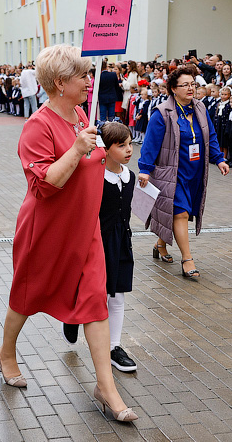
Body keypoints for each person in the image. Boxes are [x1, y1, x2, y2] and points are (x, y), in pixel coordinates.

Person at [0, 45, 137, 422]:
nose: (90, 82)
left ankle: (105, 387)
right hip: (47, 231)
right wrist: (76, 150)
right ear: (60, 83)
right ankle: (6, 352)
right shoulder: (37, 126)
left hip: (85, 228)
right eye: (83, 76)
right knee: (26, 296)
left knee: (95, 303)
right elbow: (45, 184)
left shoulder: (80, 114)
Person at [138, 66, 228, 278]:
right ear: (172, 89)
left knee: (181, 211)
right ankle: (187, 259)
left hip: (195, 172)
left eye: (193, 84)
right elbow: (150, 145)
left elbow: (210, 136)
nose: (191, 88)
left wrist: (219, 159)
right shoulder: (162, 113)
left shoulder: (200, 108)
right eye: (185, 85)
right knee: (180, 212)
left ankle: (160, 244)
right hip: (172, 173)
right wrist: (145, 169)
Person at [98, 122, 138, 373]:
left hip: (122, 240)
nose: (128, 149)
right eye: (121, 145)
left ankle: (114, 347)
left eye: (130, 144)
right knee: (97, 292)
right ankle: (73, 317)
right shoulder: (95, 176)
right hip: (98, 242)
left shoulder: (129, 176)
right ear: (105, 148)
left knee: (118, 294)